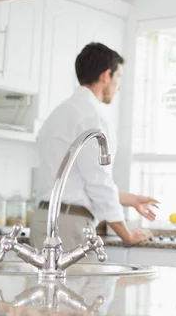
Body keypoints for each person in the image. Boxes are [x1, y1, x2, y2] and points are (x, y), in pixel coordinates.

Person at [30, 42, 157, 249]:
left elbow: (77, 181)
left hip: (43, 220)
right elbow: (98, 182)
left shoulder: (59, 113)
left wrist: (132, 199)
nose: (119, 85)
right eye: (118, 77)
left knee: (47, 282)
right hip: (69, 226)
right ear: (106, 76)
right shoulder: (93, 117)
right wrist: (126, 234)